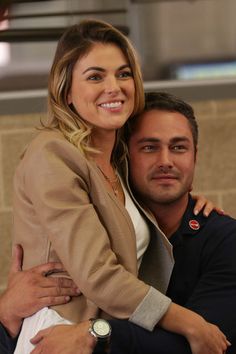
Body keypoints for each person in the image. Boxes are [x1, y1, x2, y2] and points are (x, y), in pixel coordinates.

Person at [2, 18, 228, 353]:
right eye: (95, 76)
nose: (114, 87)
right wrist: (190, 322)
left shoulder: (114, 156)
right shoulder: (53, 155)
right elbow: (99, 275)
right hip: (59, 336)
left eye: (123, 74)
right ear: (66, 91)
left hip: (101, 335)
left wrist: (191, 203)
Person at [24, 91, 236, 354]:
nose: (165, 161)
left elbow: (205, 343)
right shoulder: (97, 233)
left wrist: (96, 333)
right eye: (149, 147)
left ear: (195, 157)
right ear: (122, 156)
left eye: (178, 147)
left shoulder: (225, 240)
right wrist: (7, 311)